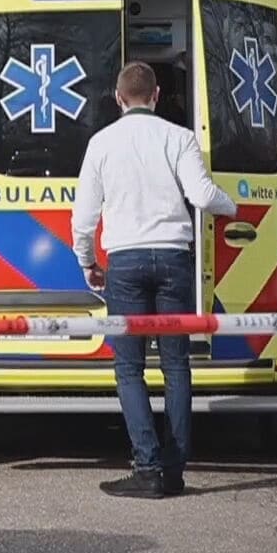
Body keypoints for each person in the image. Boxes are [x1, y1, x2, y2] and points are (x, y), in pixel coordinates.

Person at [72, 62, 238, 500]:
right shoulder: (179, 138)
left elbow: (83, 219)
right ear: (157, 94)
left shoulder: (101, 143)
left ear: (118, 97)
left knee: (129, 368)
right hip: (173, 259)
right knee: (176, 366)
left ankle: (146, 468)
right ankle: (175, 470)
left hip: (125, 263)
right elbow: (203, 195)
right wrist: (234, 207)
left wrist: (88, 263)